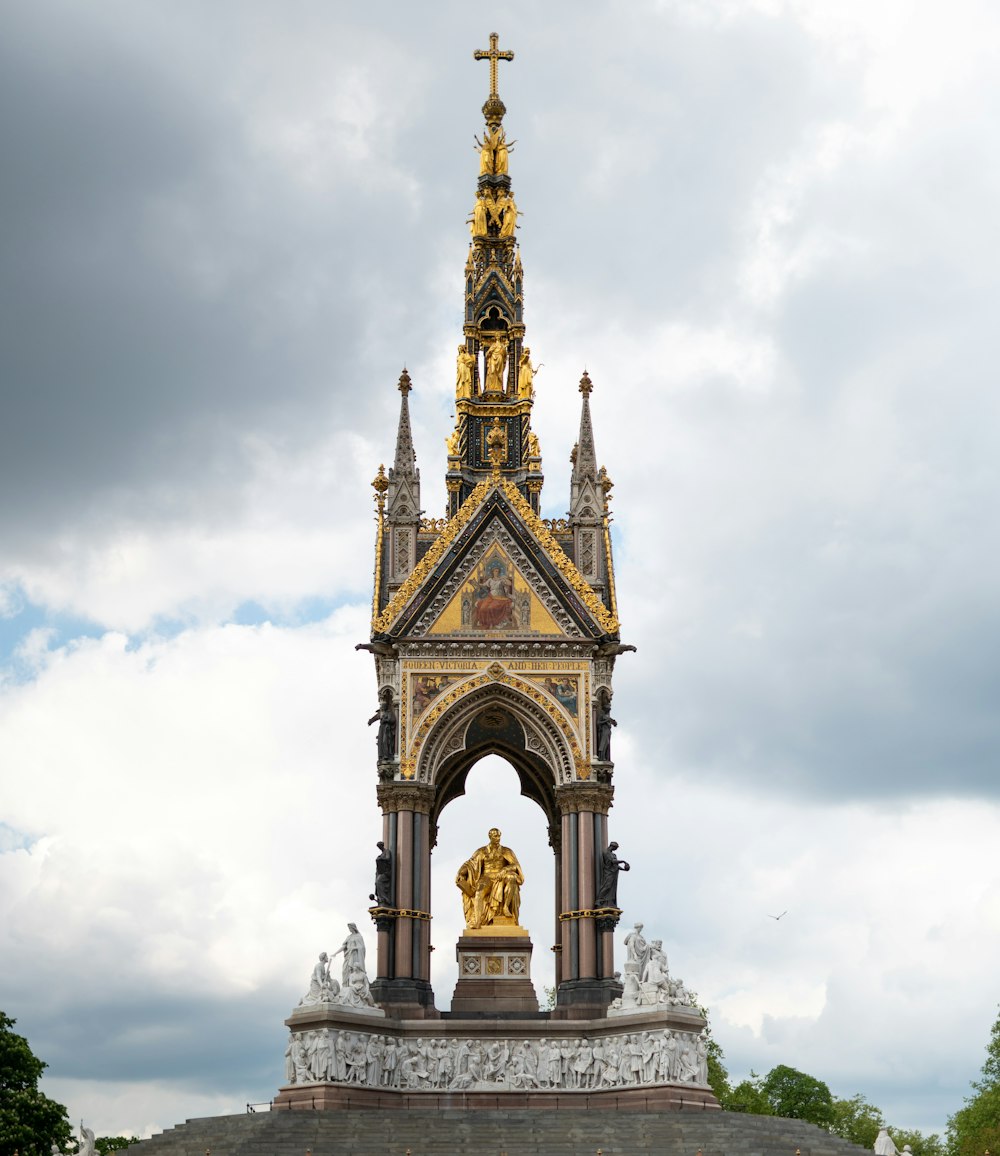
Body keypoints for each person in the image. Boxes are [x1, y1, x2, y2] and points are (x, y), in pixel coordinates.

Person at [455, 827, 524, 928]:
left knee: (512, 878)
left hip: (501, 877)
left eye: (499, 835)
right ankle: (478, 922)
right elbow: (470, 864)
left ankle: (506, 907)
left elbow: (515, 866)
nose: (498, 838)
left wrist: (504, 870)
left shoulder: (506, 851)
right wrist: (461, 873)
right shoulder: (481, 851)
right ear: (490, 837)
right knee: (479, 893)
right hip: (486, 878)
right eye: (496, 836)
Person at [596, 841, 630, 907]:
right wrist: (623, 861)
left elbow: (615, 865)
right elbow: (613, 861)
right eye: (616, 848)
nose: (616, 849)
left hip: (614, 873)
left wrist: (624, 869)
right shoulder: (606, 853)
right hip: (608, 873)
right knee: (607, 886)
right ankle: (599, 900)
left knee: (612, 889)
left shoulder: (614, 855)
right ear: (612, 846)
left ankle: (609, 902)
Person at [332, 922, 366, 988]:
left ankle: (353, 985)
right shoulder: (349, 937)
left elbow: (362, 948)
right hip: (348, 956)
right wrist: (335, 953)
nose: (349, 929)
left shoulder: (359, 936)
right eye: (348, 928)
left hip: (355, 956)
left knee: (354, 969)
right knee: (345, 971)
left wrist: (355, 948)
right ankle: (346, 986)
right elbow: (344, 946)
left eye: (350, 928)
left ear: (353, 928)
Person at [368, 688, 396, 762]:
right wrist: (370, 721)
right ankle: (384, 755)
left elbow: (392, 719)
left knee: (385, 742)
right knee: (382, 743)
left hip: (387, 729)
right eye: (382, 707)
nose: (382, 707)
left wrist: (386, 720)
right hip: (383, 729)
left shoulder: (389, 713)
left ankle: (387, 755)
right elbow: (377, 716)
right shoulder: (382, 713)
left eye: (383, 706)